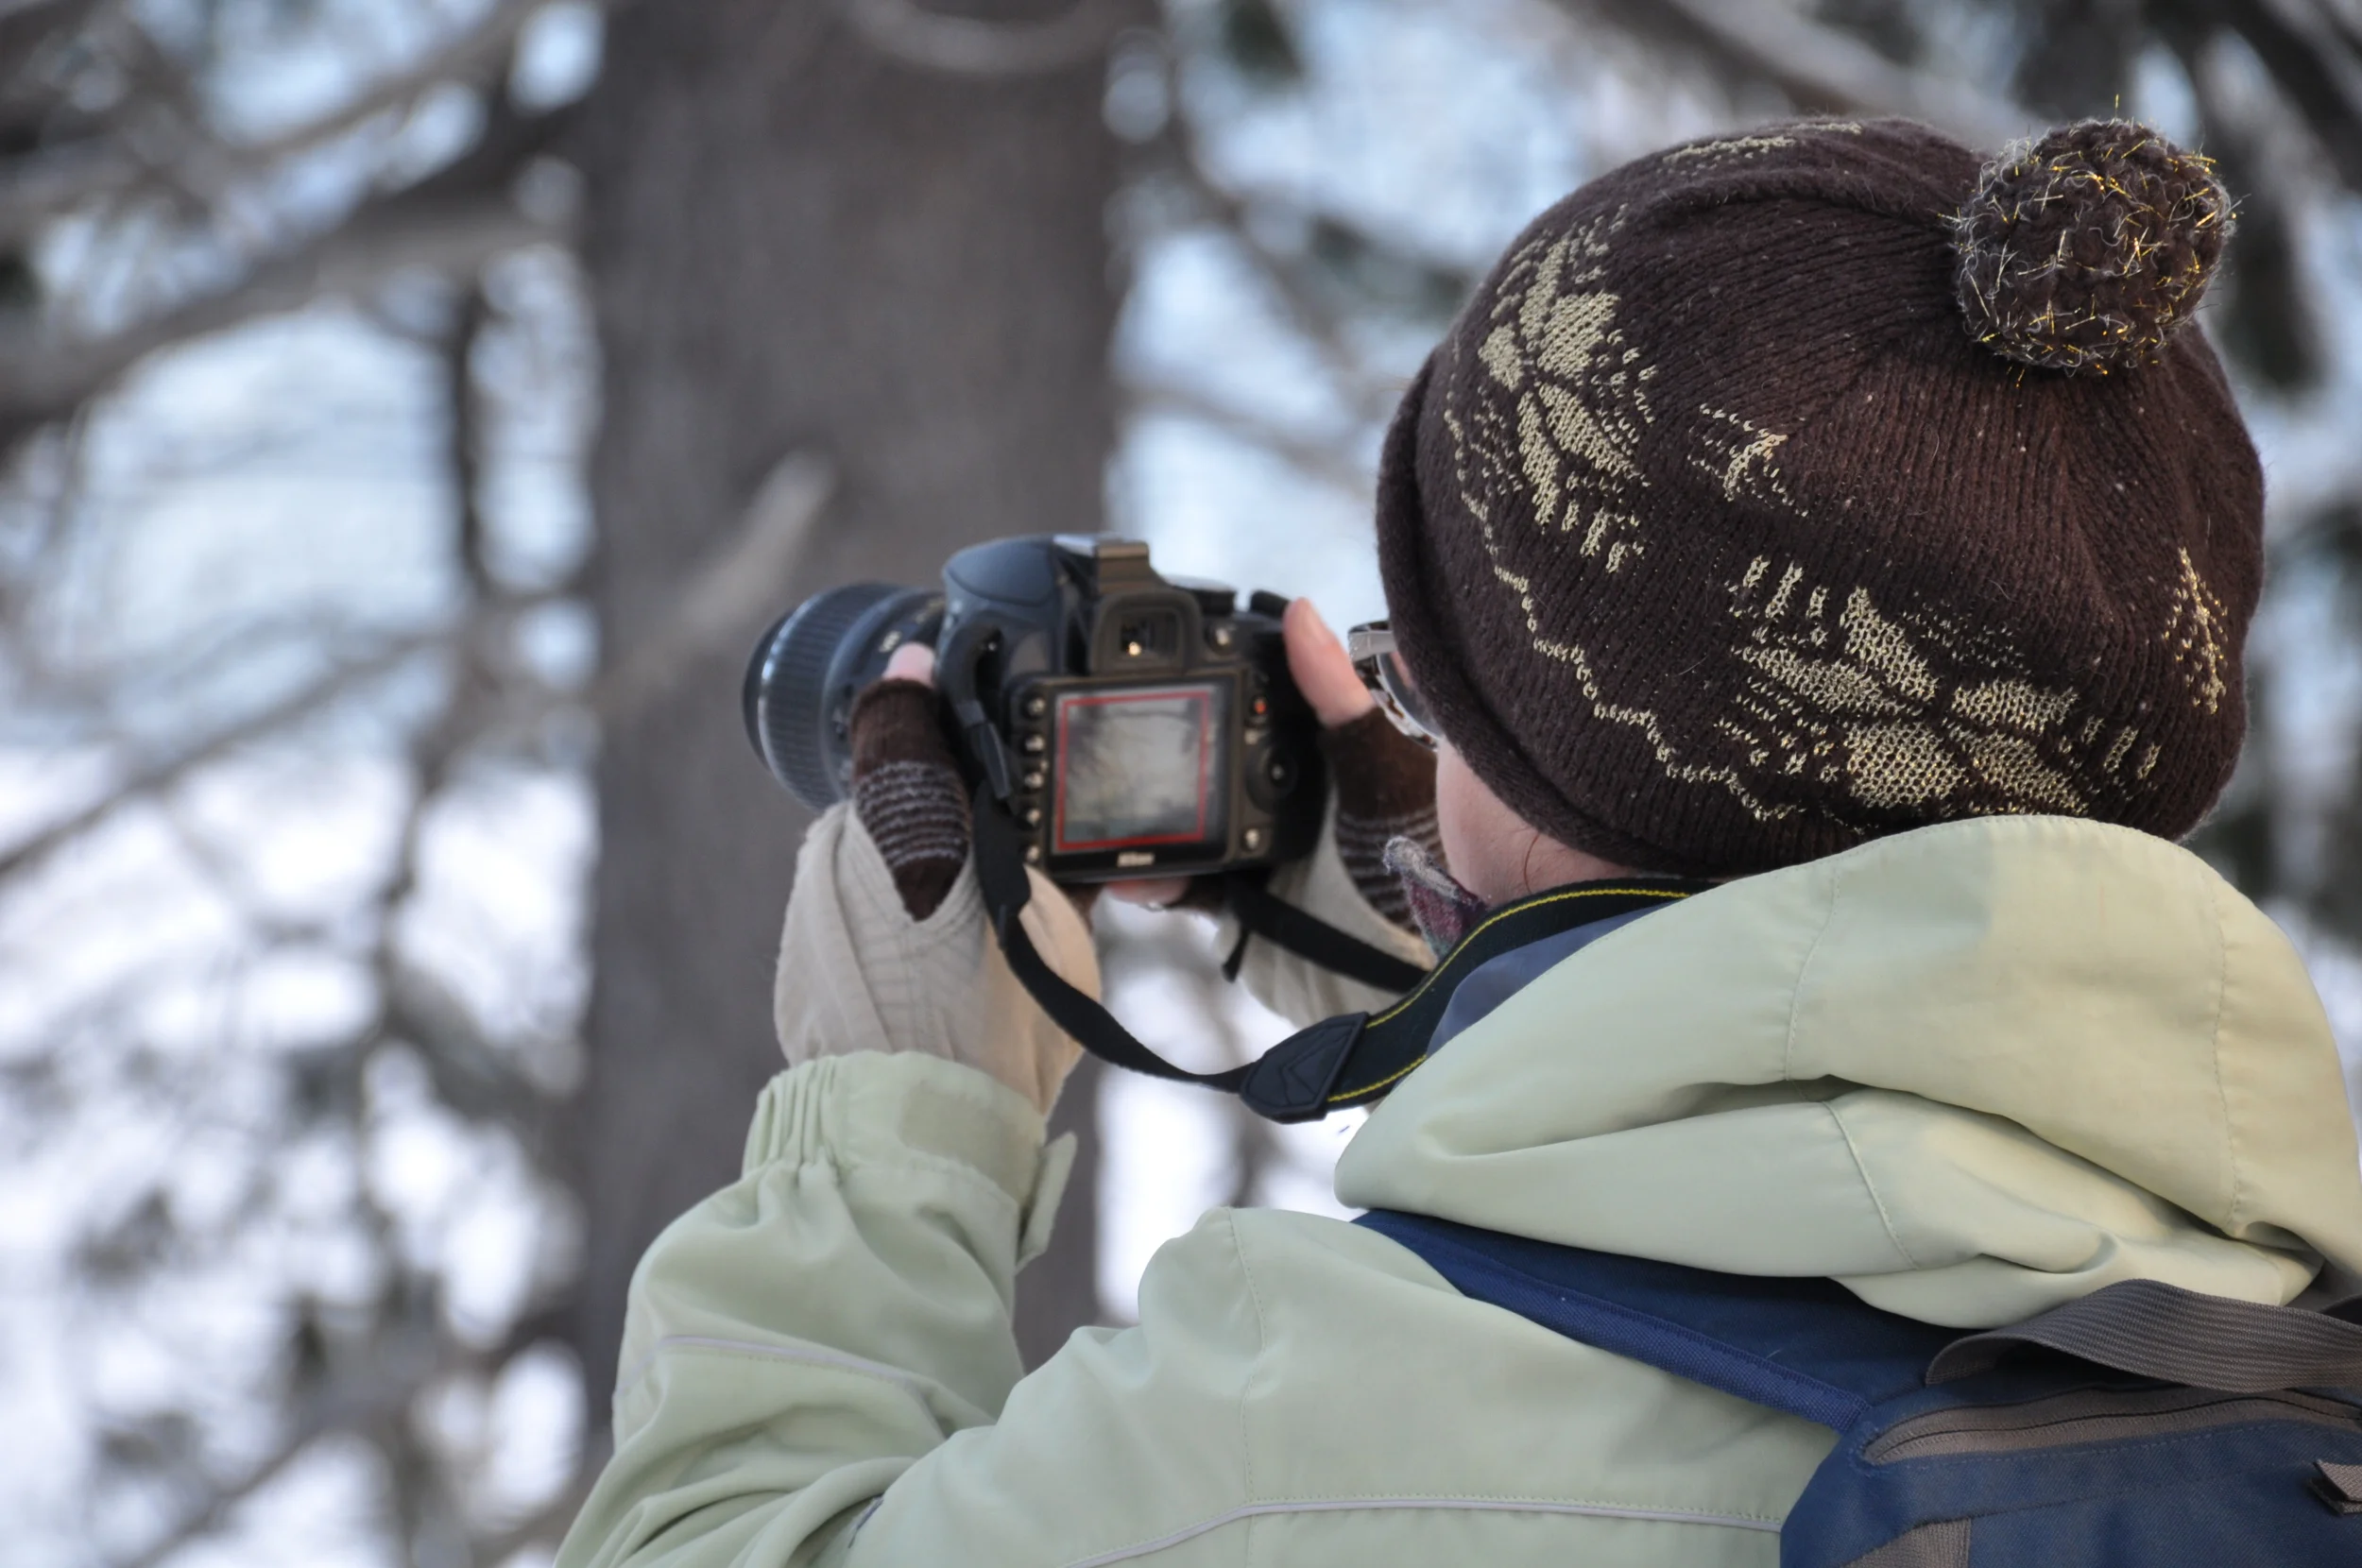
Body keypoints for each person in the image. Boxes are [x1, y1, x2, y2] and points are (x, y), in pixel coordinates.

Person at [555, 118, 2362, 1567]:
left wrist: (891, 1124)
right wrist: (1477, 981)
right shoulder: (2290, 1310)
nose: (1411, 725)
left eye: (1435, 683)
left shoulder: (1277, 1447)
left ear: (1553, 748)